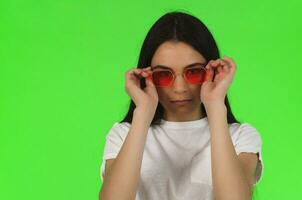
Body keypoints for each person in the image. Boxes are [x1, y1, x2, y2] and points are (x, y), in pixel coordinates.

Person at [99, 10, 263, 200]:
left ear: (213, 72)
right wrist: (142, 112)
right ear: (147, 76)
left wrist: (215, 105)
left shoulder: (240, 137)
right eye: (163, 75)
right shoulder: (123, 135)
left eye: (194, 72)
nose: (179, 88)